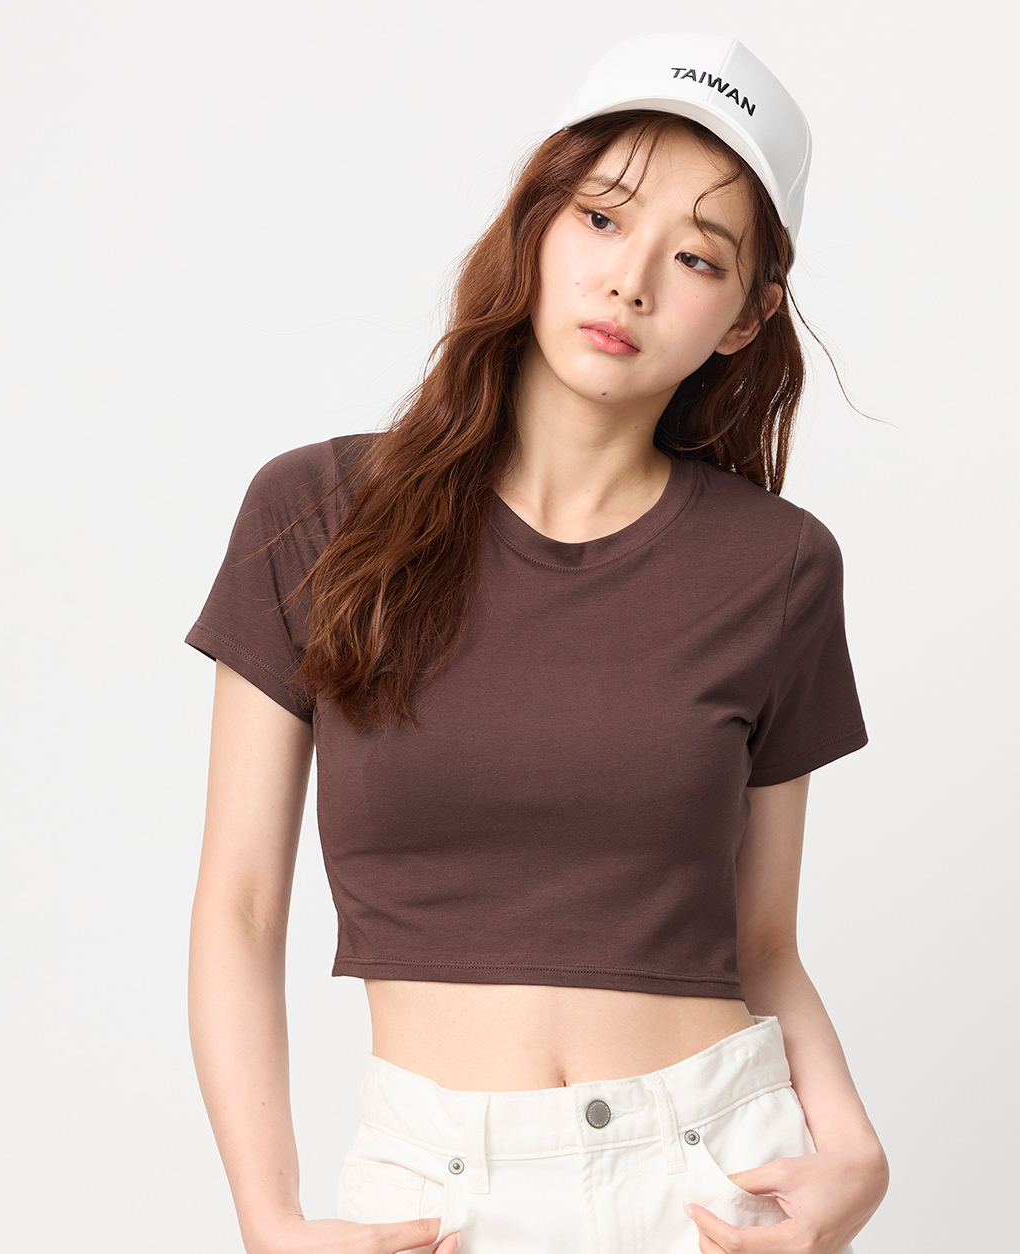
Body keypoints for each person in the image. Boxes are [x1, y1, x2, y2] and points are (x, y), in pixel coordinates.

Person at [184, 31, 889, 1254]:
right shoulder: (315, 513)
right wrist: (267, 1214)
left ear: (745, 317)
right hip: (432, 1192)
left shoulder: (775, 567)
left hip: (709, 1179)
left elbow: (764, 941)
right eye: (601, 219)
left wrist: (856, 1158)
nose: (629, 283)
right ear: (534, 225)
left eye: (695, 257)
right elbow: (240, 906)